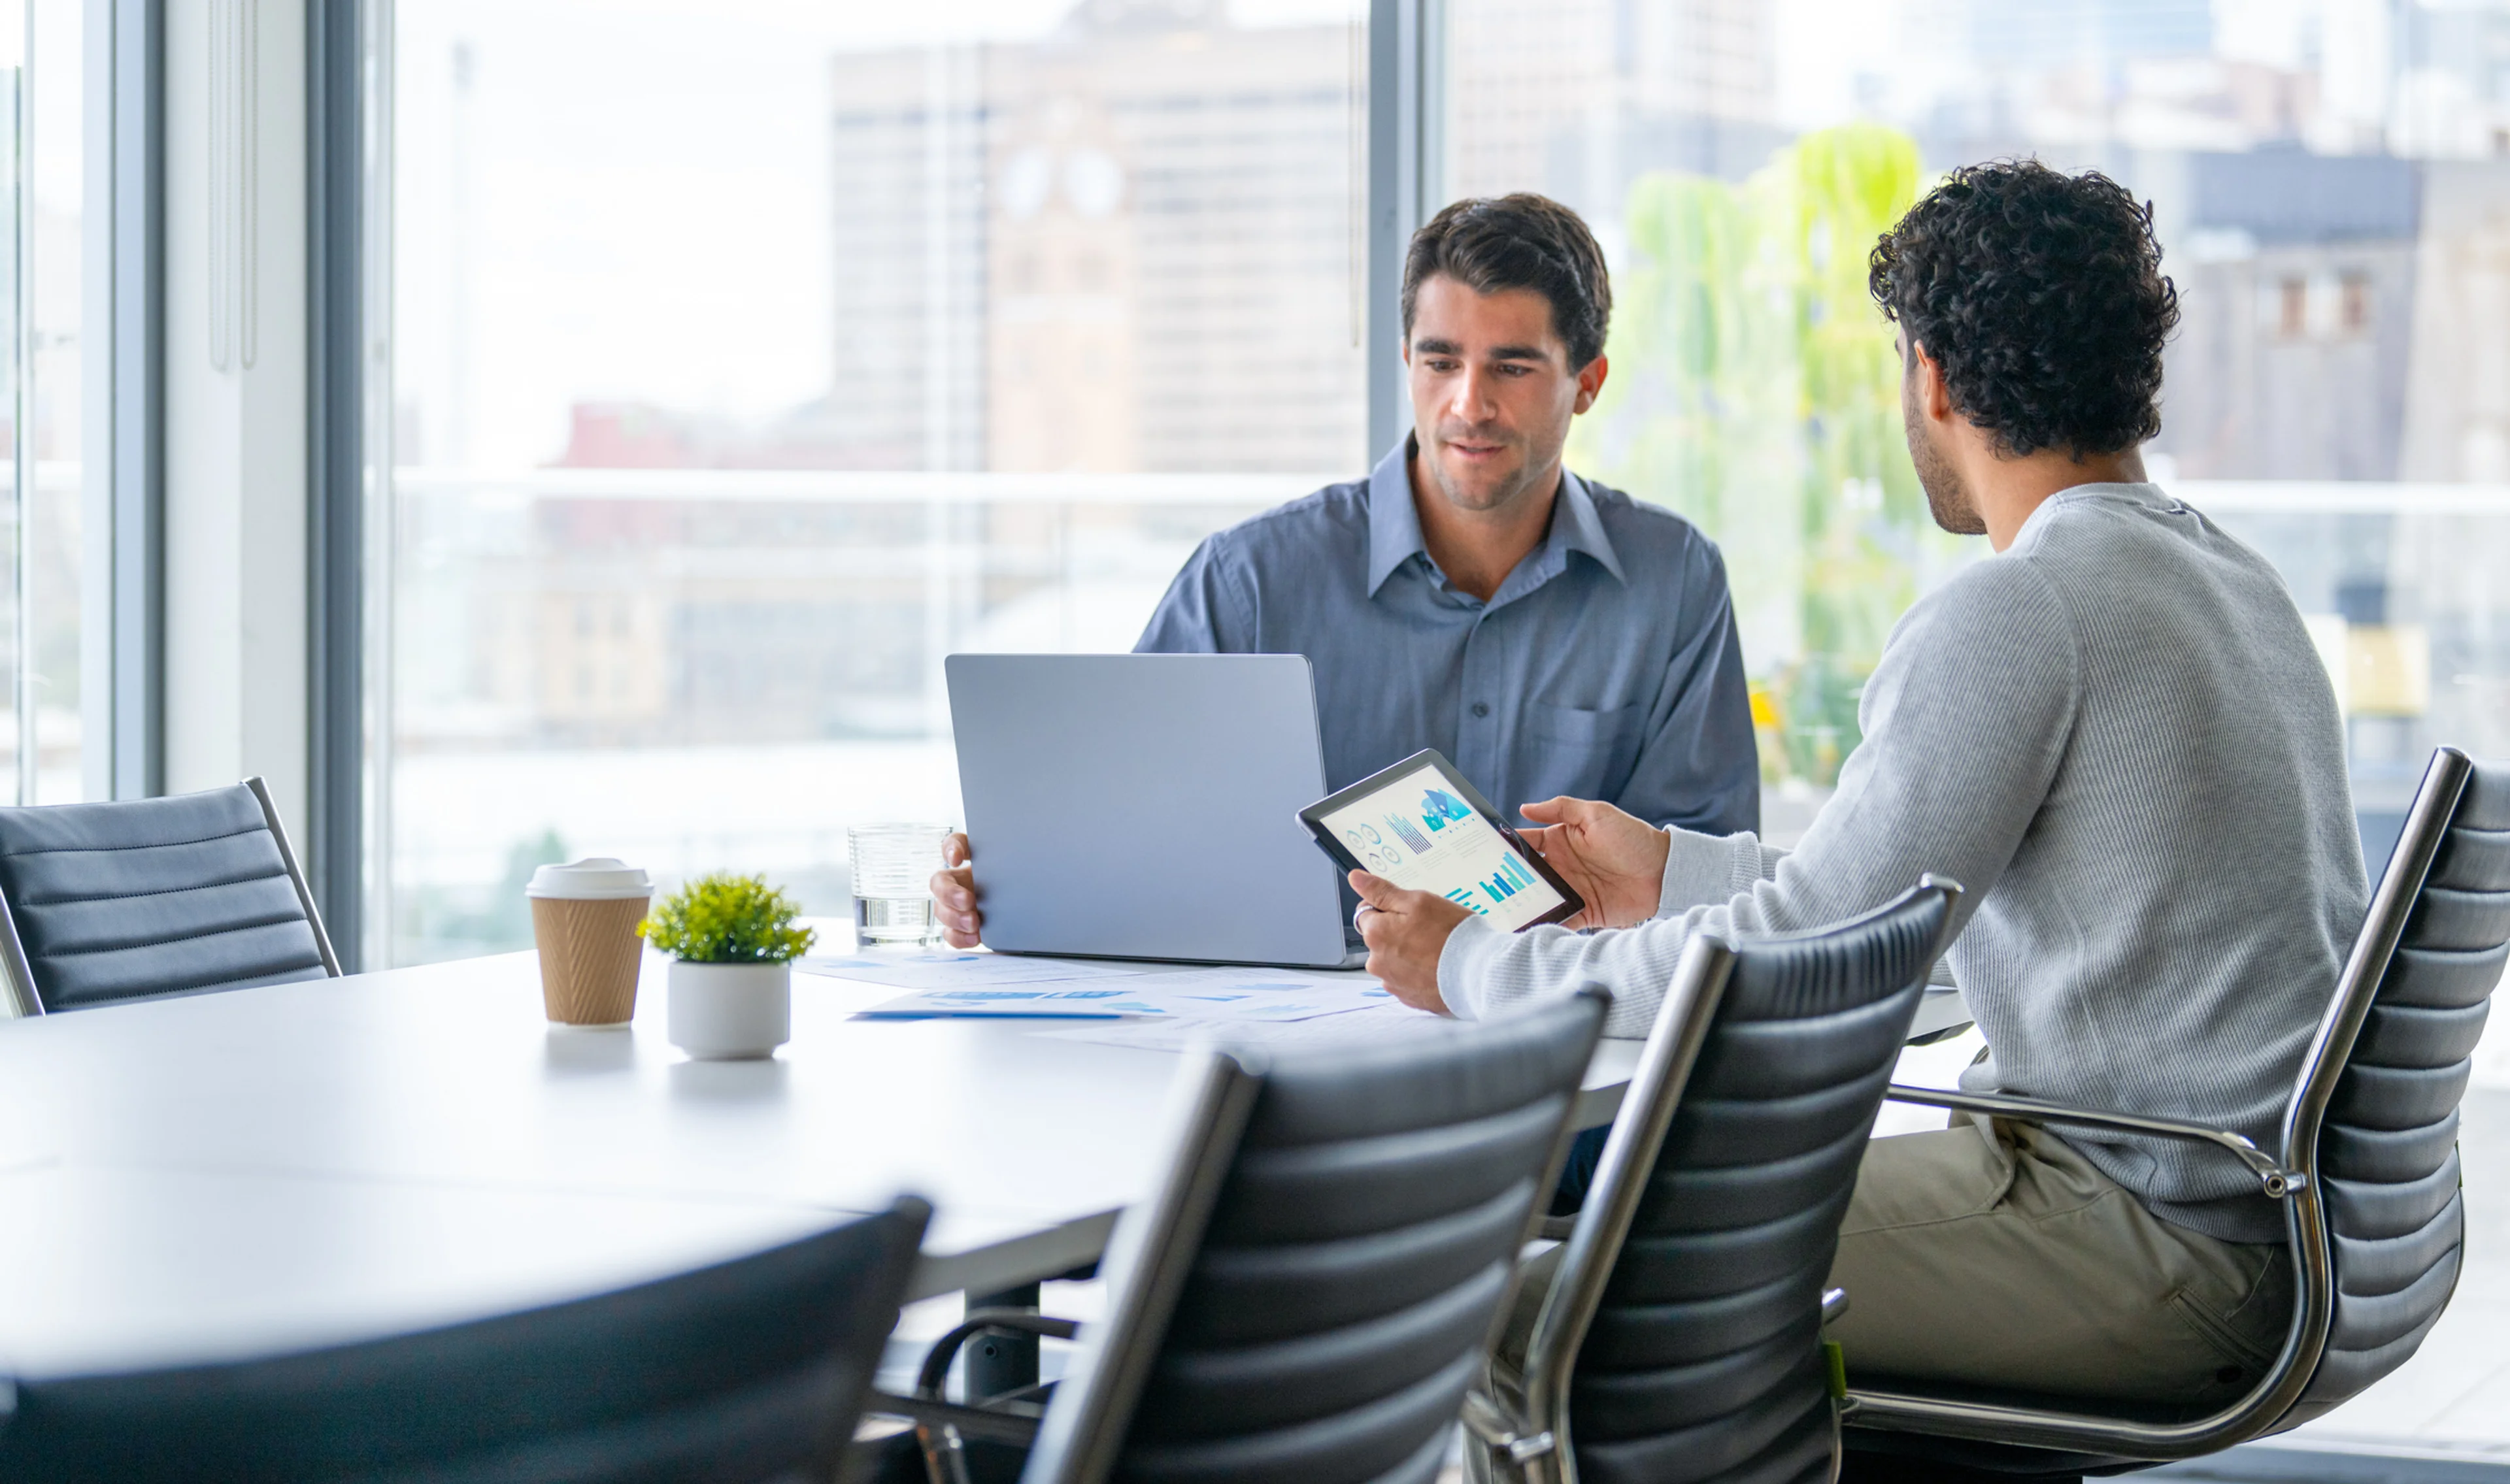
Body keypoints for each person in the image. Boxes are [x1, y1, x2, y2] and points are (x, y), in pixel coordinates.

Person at [1349, 159, 2366, 1410]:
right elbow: (1911, 916)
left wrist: (1469, 965)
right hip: (2285, 1228)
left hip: (2149, 1231)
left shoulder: (2022, 607)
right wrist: (1671, 873)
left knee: (1512, 1310)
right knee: (1607, 1257)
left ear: (1929, 376)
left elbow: (1792, 968)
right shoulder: (2226, 580)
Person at [933, 192, 1758, 946]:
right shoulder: (1247, 583)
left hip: (1566, 1049)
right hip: (1288, 1062)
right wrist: (1018, 882)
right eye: (1440, 362)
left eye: (1511, 367)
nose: (1469, 404)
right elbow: (1121, 829)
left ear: (1587, 383)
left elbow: (1710, 899)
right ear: (1405, 360)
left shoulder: (1673, 583)